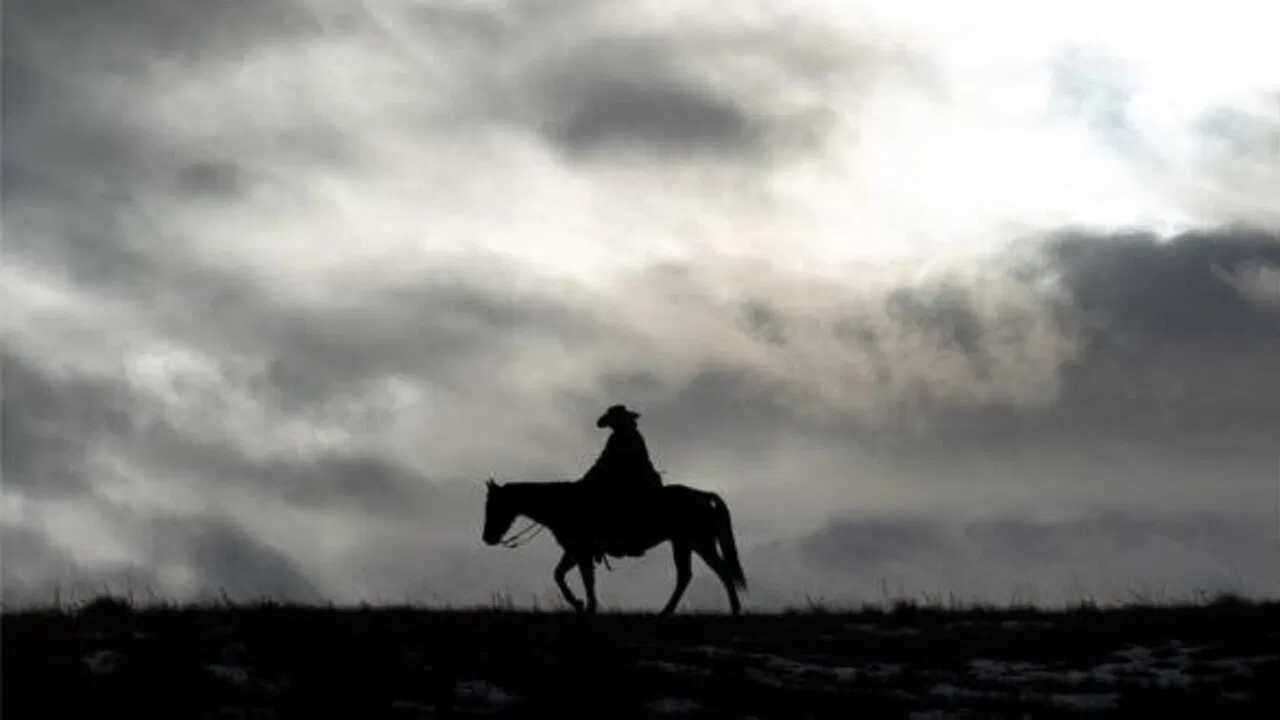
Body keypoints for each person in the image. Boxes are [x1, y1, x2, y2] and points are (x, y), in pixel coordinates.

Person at [578, 404, 663, 561]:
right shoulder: (620, 436)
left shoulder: (627, 435)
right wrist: (587, 479)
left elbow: (615, 461)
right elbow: (603, 461)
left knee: (616, 502)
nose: (612, 426)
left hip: (638, 479)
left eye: (613, 422)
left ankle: (631, 541)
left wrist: (593, 477)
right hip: (631, 477)